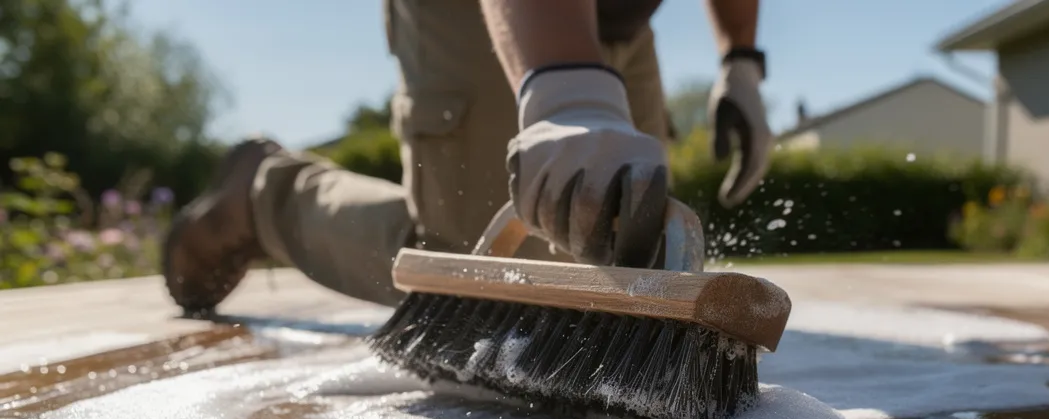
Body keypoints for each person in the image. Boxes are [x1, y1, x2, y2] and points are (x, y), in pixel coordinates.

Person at [161, 0, 771, 315]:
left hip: (622, 19)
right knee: (484, 280)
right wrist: (567, 89)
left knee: (624, 253)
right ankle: (265, 196)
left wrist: (739, 60)